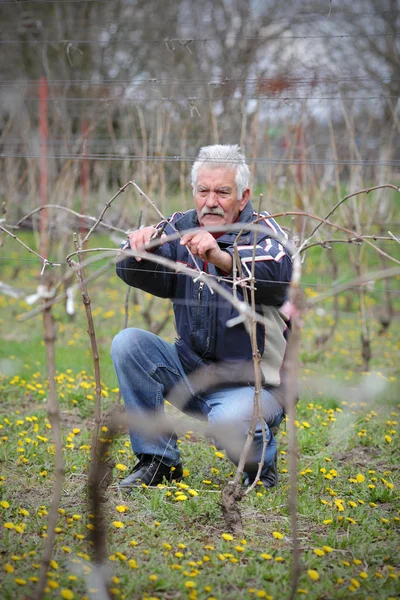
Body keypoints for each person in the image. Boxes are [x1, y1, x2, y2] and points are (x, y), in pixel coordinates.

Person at [112, 144, 292, 490]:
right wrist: (138, 251)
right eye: (203, 190)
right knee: (129, 343)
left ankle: (259, 469)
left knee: (231, 417)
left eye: (223, 192)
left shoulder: (265, 232)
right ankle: (158, 461)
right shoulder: (181, 226)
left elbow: (277, 273)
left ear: (243, 196)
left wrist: (222, 257)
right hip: (191, 371)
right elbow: (136, 271)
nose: (211, 201)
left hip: (255, 387)